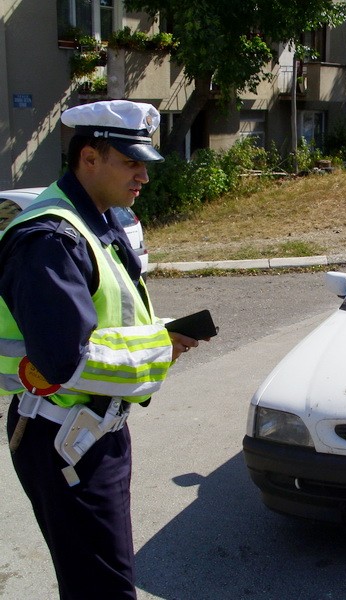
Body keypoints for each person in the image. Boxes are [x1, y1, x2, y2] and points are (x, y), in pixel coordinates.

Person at [0, 100, 204, 599]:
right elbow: (66, 360)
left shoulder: (93, 220)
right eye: (132, 163)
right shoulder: (51, 237)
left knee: (100, 579)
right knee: (102, 588)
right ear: (89, 158)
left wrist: (161, 332)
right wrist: (158, 347)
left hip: (91, 431)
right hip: (64, 437)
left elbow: (107, 319)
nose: (144, 177)